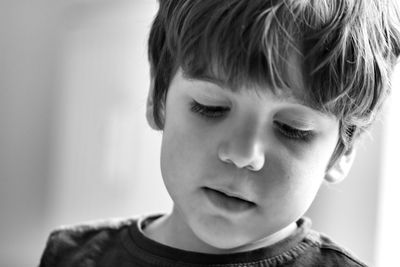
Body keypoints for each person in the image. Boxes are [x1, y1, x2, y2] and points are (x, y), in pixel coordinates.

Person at [39, 0, 400, 266]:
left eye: (293, 129)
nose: (243, 153)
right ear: (158, 99)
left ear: (342, 151)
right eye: (211, 107)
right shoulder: (73, 258)